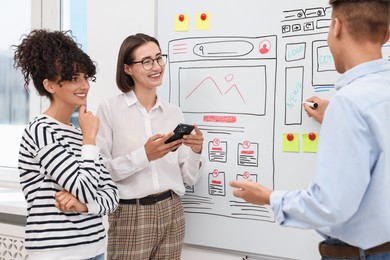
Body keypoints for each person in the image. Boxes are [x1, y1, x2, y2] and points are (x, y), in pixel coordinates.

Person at [230, 0, 390, 259]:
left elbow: (331, 205)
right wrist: (337, 119)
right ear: (387, 34)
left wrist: (269, 197)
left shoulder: (349, 103)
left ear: (336, 26)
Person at [95, 33, 205, 259]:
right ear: (127, 69)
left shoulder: (174, 113)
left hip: (172, 210)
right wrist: (144, 156)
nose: (156, 66)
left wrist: (196, 152)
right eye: (146, 61)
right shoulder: (109, 109)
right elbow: (100, 172)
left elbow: (189, 178)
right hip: (130, 213)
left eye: (159, 58)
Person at [14, 29, 119, 260]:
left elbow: (112, 196)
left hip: (96, 249)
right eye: (74, 79)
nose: (85, 86)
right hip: (57, 253)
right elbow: (85, 188)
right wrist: (89, 139)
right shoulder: (41, 130)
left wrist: (84, 206)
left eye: (86, 77)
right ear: (50, 86)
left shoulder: (78, 132)